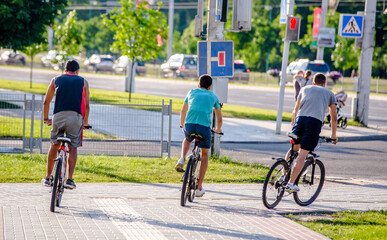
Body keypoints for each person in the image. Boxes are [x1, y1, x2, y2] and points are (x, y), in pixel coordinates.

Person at [41, 60, 90, 189]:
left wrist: (46, 118)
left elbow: (46, 101)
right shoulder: (83, 82)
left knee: (55, 145)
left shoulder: (55, 79)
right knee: (73, 147)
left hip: (58, 116)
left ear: (65, 70)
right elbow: (87, 106)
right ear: (77, 71)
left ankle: (47, 177)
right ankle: (70, 179)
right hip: (75, 117)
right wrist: (84, 123)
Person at [285, 73, 337, 192]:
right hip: (314, 122)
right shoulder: (329, 93)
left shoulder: (304, 89)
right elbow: (333, 117)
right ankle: (291, 183)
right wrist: (333, 136)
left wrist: (294, 123)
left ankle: (283, 175)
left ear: (313, 82)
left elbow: (295, 109)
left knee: (294, 148)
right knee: (303, 154)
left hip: (300, 120)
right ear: (324, 83)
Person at [175, 74, 222, 197]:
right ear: (210, 86)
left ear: (198, 84)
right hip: (204, 128)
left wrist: (182, 124)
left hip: (189, 125)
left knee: (187, 138)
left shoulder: (191, 92)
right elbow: (219, 118)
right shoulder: (214, 97)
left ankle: (182, 158)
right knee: (204, 155)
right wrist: (217, 129)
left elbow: (183, 110)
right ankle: (199, 187)